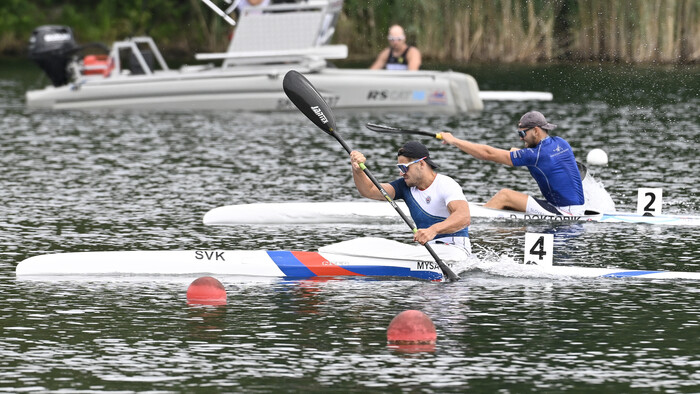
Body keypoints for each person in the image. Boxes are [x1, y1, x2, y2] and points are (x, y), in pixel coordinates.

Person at [440, 111, 585, 216]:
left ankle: (468, 222)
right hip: (576, 207)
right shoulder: (561, 142)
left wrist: (455, 141)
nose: (521, 139)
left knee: (505, 196)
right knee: (507, 206)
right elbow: (544, 160)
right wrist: (518, 154)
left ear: (535, 130)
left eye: (523, 134)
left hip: (564, 212)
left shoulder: (535, 155)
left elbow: (488, 154)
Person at [350, 141, 471, 252]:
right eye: (399, 168)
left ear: (421, 164)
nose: (401, 173)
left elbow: (464, 217)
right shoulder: (405, 186)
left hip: (455, 249)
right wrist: (358, 170)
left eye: (404, 167)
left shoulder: (445, 184)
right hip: (428, 250)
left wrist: (433, 230)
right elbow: (369, 190)